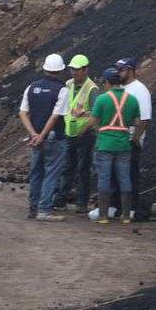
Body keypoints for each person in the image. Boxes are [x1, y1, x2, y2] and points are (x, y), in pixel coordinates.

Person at [18, 54, 70, 222]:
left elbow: (23, 113)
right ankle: (44, 210)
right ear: (61, 70)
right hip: (53, 138)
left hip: (35, 138)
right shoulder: (62, 90)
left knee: (36, 173)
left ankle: (33, 208)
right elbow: (55, 116)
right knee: (51, 173)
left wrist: (33, 134)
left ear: (45, 69)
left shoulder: (31, 87)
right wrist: (42, 136)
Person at [90, 66, 137, 225]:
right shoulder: (132, 99)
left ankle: (103, 216)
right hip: (123, 145)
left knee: (104, 178)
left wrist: (87, 130)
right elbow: (137, 122)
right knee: (124, 178)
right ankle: (126, 216)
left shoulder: (102, 99)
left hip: (104, 145)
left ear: (107, 82)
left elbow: (93, 121)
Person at [54, 54, 98, 211]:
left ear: (85, 70)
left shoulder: (92, 89)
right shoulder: (68, 84)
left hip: (84, 134)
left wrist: (83, 117)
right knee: (67, 167)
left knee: (83, 169)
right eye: (72, 69)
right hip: (69, 132)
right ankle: (61, 198)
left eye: (77, 70)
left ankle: (82, 202)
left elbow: (95, 114)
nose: (73, 72)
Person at [115, 58, 154, 220]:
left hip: (130, 139)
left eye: (121, 70)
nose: (118, 73)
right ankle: (117, 206)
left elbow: (144, 119)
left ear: (130, 71)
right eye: (117, 70)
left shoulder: (140, 90)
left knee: (130, 174)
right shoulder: (120, 88)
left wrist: (136, 139)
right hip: (117, 139)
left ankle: (131, 208)